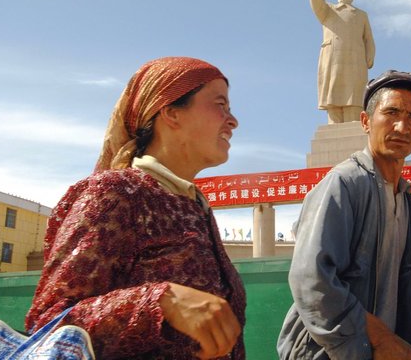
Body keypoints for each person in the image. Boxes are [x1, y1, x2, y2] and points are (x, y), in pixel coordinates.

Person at [25, 57, 246, 359]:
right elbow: (48, 325)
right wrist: (161, 300)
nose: (232, 121)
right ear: (170, 112)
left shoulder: (196, 207)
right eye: (220, 104)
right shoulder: (115, 193)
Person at [277, 70, 411, 359]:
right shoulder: (344, 183)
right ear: (365, 121)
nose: (402, 126)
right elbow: (311, 279)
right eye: (391, 112)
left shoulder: (406, 200)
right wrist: (380, 337)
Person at [310, 0, 376, 124]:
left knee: (354, 94)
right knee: (333, 95)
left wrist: (370, 54)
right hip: (333, 58)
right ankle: (334, 125)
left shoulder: (361, 15)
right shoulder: (328, 11)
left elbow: (368, 38)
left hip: (355, 59)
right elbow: (317, 1)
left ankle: (354, 123)